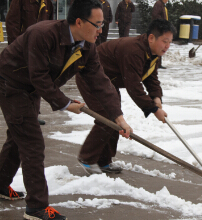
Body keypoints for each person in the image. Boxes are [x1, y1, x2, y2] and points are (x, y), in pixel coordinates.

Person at [0, 0, 131, 220]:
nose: (101, 30)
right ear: (79, 21)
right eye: (97, 24)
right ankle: (37, 207)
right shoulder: (43, 34)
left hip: (31, 87)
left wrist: (119, 117)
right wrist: (65, 103)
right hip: (12, 84)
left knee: (20, 135)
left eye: (102, 24)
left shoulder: (86, 46)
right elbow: (39, 76)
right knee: (31, 142)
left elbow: (101, 82)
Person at [75, 19, 175, 175]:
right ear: (151, 38)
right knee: (107, 117)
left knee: (114, 118)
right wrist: (153, 109)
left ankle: (103, 161)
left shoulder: (153, 52)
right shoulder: (134, 50)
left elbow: (151, 78)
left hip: (108, 82)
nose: (167, 46)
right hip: (91, 78)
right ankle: (87, 158)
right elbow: (133, 85)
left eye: (170, 42)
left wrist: (157, 98)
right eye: (164, 41)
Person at [6, 0, 54, 125]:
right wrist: (15, 48)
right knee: (21, 82)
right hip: (22, 49)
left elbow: (50, 25)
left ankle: (33, 114)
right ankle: (20, 116)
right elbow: (12, 23)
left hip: (40, 49)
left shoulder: (47, 2)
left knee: (36, 82)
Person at [151, 0, 168, 69]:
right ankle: (156, 63)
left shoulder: (162, 4)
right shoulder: (158, 4)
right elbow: (155, 15)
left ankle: (158, 63)